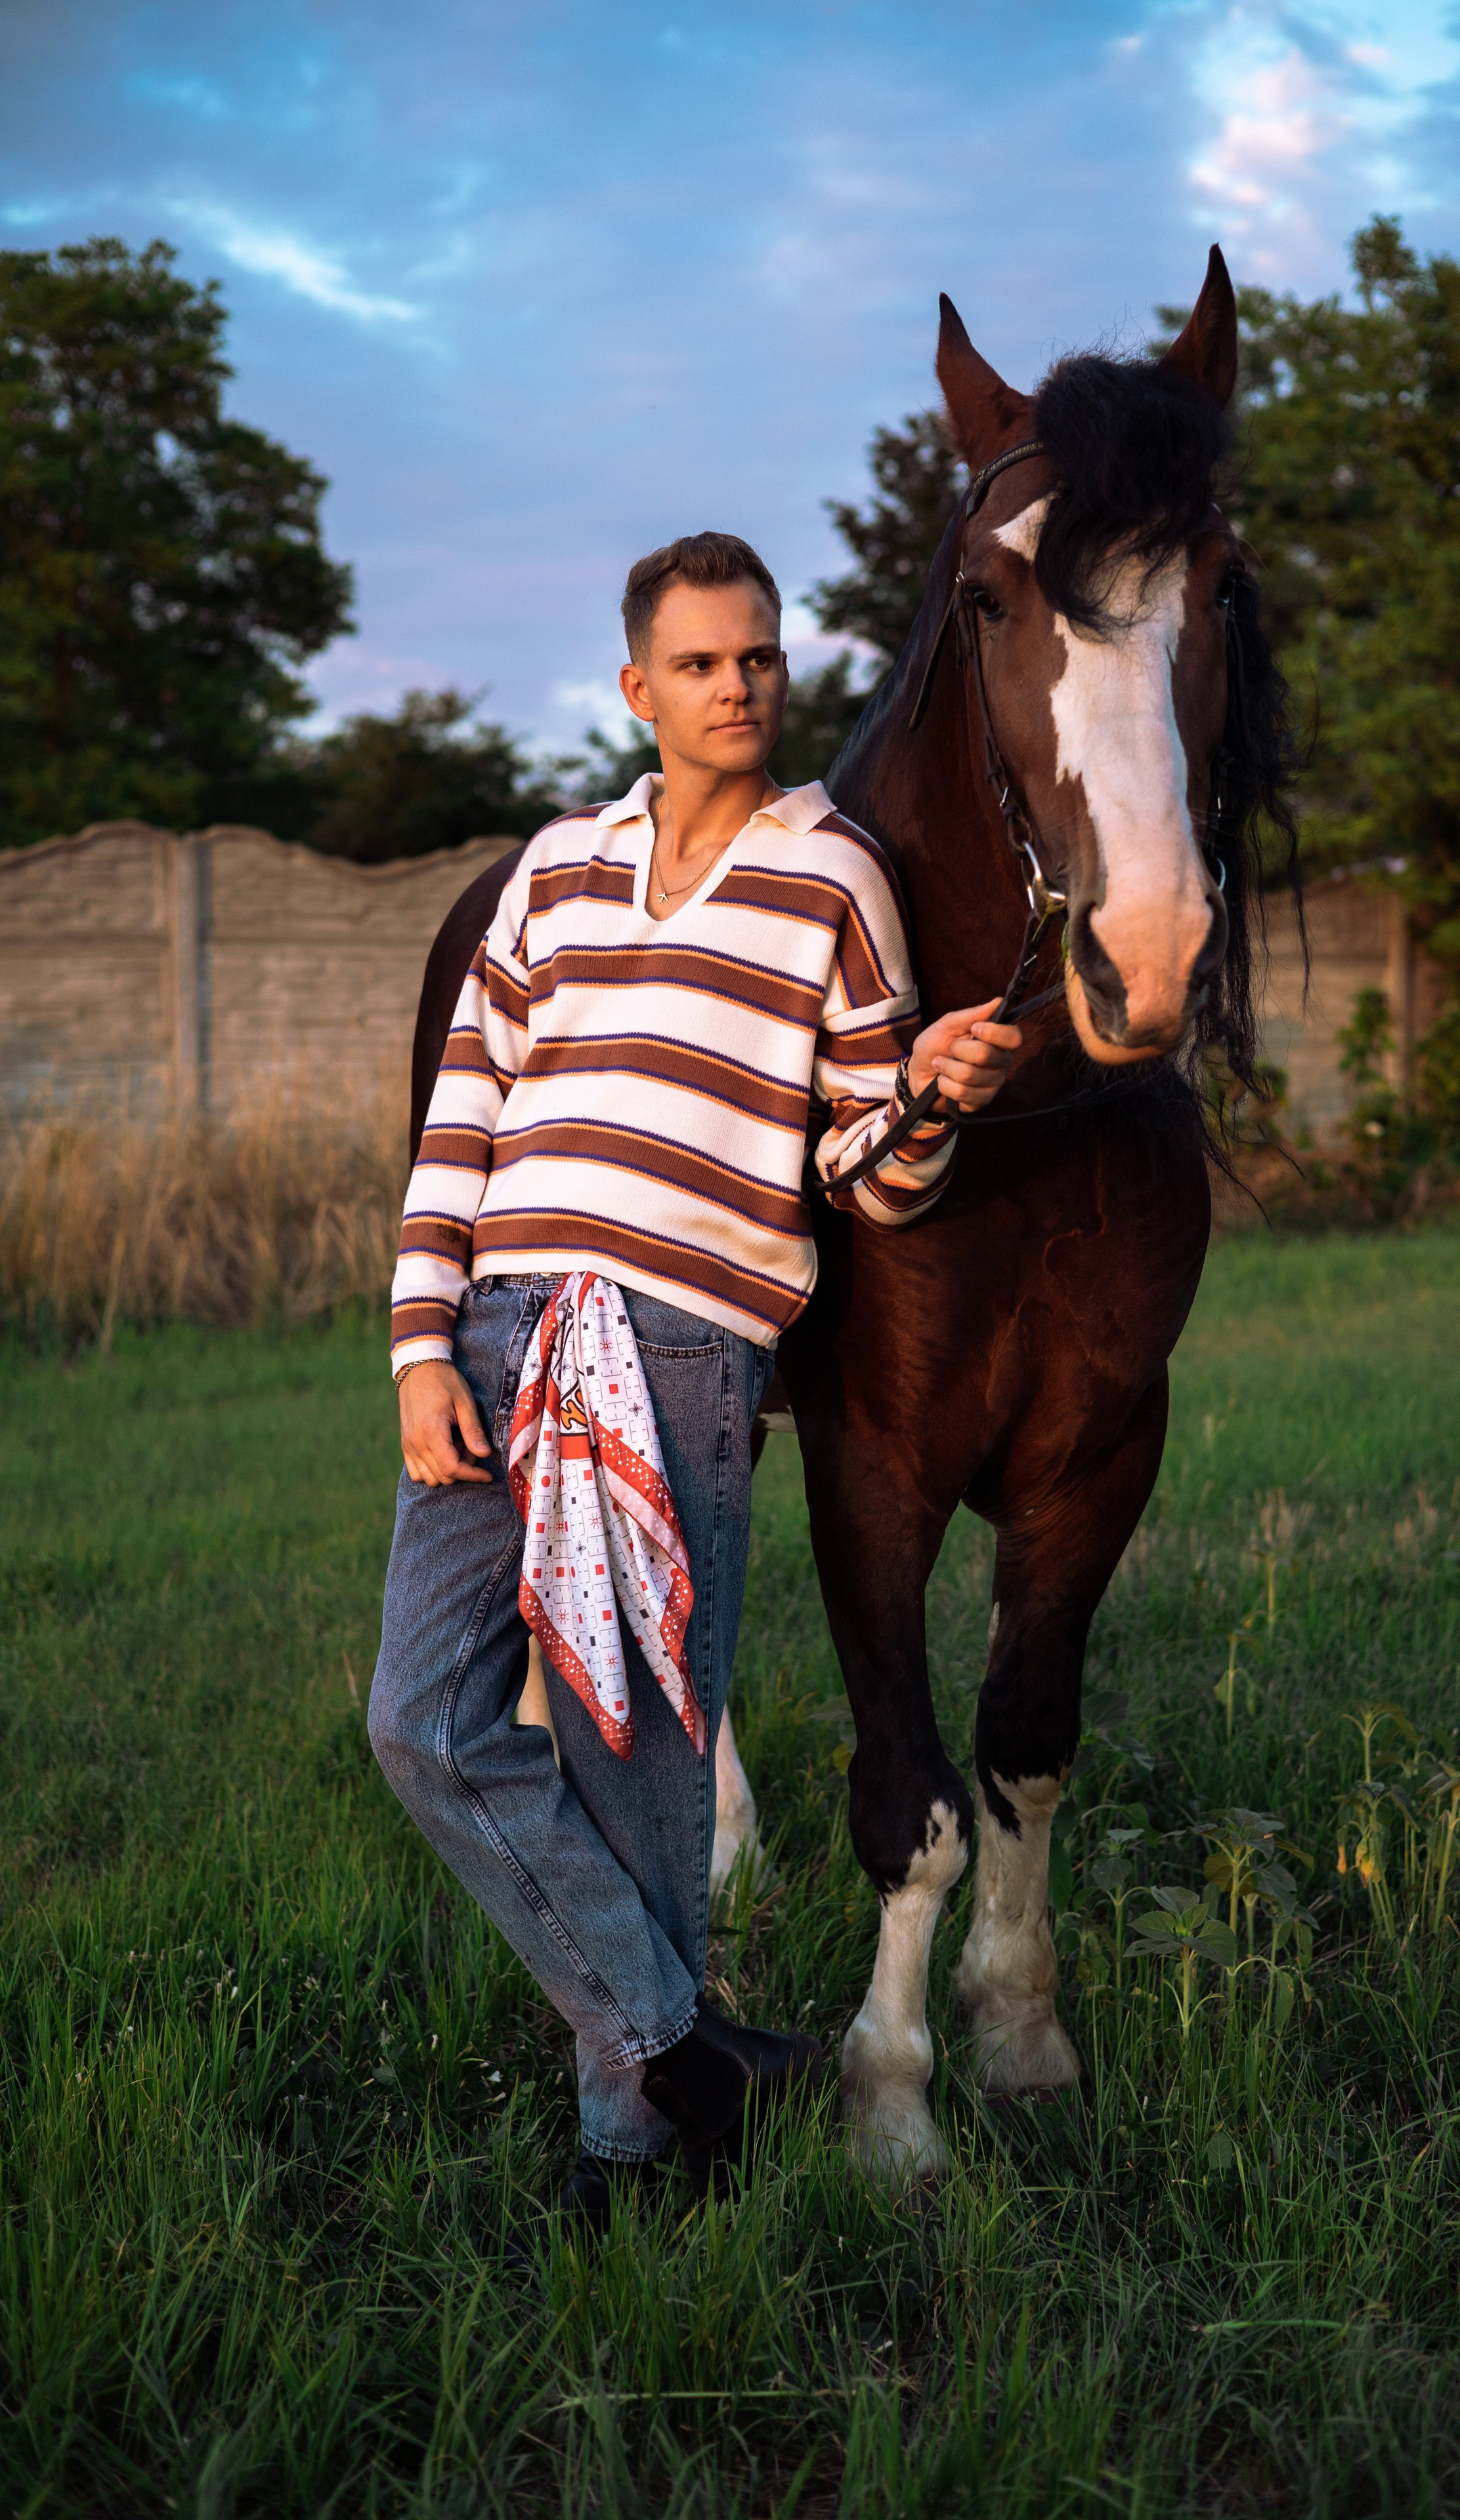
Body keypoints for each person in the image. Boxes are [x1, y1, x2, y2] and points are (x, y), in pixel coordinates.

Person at [367, 530, 1020, 2238]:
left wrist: (934, 1097)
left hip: (676, 1349)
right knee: (421, 1721)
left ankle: (630, 2158)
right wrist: (420, 1345)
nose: (740, 688)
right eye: (706, 662)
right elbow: (459, 1121)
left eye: (763, 659)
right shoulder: (557, 867)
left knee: (640, 1767)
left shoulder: (836, 878)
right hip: (502, 1332)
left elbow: (869, 1164)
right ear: (638, 685)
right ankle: (684, 2046)